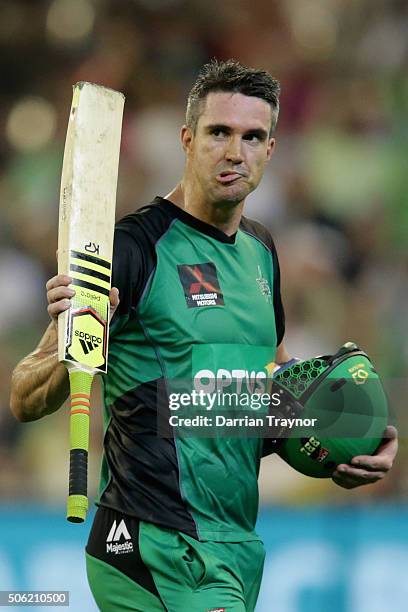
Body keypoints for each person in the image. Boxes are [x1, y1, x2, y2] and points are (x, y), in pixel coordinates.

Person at [10, 59, 398, 612]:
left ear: (272, 149)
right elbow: (24, 396)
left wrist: (343, 444)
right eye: (219, 132)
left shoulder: (262, 253)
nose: (235, 152)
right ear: (187, 140)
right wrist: (74, 344)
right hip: (156, 543)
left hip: (233, 547)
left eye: (252, 137)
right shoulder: (130, 249)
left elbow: (263, 404)